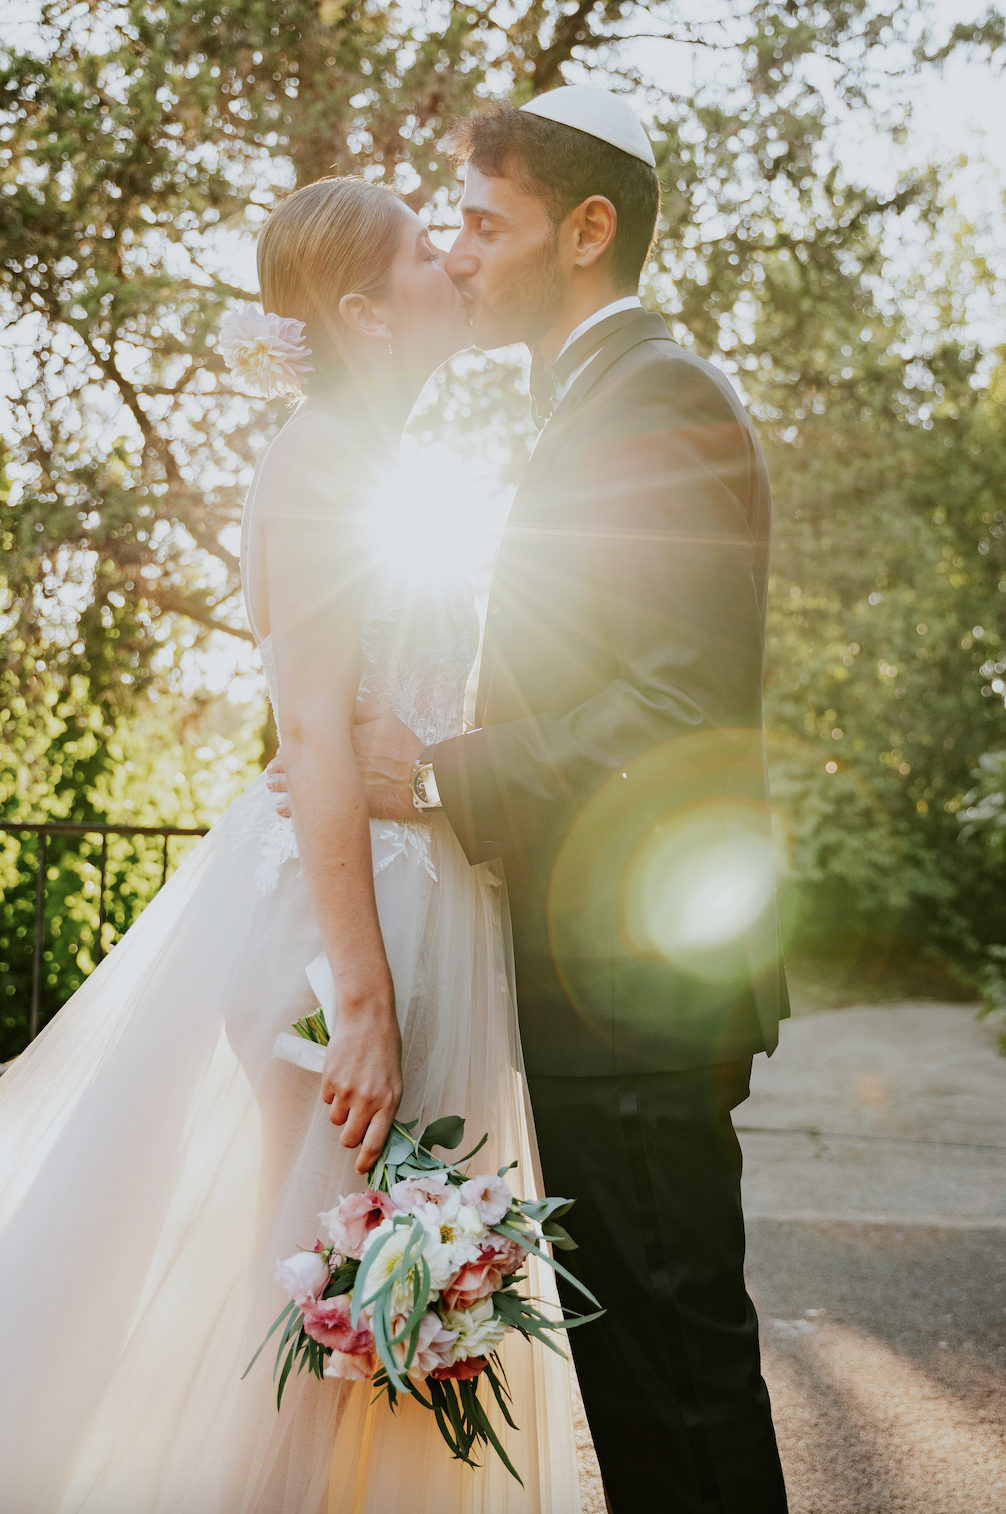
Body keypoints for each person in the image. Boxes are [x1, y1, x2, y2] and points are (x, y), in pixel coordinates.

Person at [0, 177, 581, 1512]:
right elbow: (314, 734)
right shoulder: (320, 463)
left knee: (377, 1329)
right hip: (342, 937)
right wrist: (363, 1001)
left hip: (409, 900)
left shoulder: (387, 462)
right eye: (422, 253)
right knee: (326, 1321)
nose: (452, 258)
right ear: (369, 314)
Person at [274, 87, 791, 1512]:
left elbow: (673, 707)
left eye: (483, 224)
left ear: (584, 230)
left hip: (636, 995)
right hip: (600, 992)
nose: (459, 253)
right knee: (650, 1399)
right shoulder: (598, 400)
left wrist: (437, 767)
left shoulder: (658, 396)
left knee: (681, 1402)